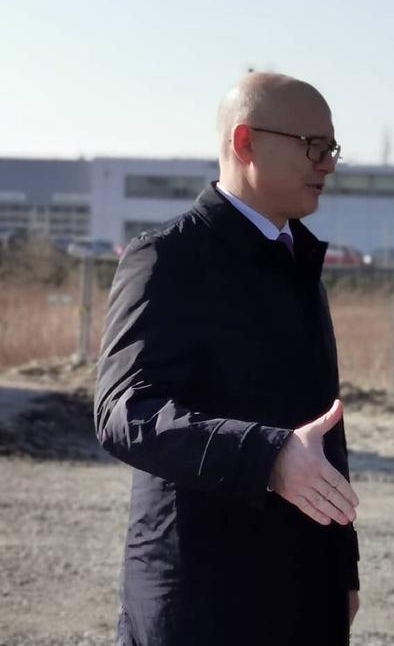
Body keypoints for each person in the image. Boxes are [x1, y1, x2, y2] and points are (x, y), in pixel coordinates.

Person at [94, 72, 361, 646]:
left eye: (332, 148)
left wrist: (341, 566)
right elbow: (124, 411)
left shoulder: (297, 263)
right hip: (200, 595)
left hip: (303, 589)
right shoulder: (169, 257)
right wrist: (267, 457)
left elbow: (321, 428)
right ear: (245, 142)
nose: (328, 164)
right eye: (313, 146)